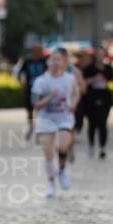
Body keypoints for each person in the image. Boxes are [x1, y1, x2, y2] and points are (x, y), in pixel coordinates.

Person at [32, 49, 80, 198]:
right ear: (48, 62)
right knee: (48, 155)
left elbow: (76, 93)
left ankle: (62, 170)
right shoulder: (40, 81)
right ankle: (51, 183)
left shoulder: (69, 79)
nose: (55, 62)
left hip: (64, 118)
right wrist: (49, 98)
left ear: (64, 62)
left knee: (62, 145)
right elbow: (35, 103)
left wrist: (74, 104)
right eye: (53, 59)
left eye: (59, 59)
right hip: (46, 120)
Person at [82, 46, 113, 158]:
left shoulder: (108, 68)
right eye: (98, 54)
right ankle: (91, 146)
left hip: (105, 98)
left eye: (102, 54)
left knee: (102, 123)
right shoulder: (89, 69)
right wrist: (93, 79)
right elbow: (83, 82)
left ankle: (102, 147)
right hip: (91, 98)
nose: (100, 56)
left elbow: (112, 81)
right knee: (92, 124)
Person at [17, 43, 47, 141]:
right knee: (29, 111)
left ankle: (40, 131)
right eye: (36, 50)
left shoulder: (45, 61)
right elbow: (19, 73)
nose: (38, 53)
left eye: (40, 50)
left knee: (41, 111)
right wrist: (22, 82)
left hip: (42, 91)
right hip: (30, 90)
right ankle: (31, 127)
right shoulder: (28, 61)